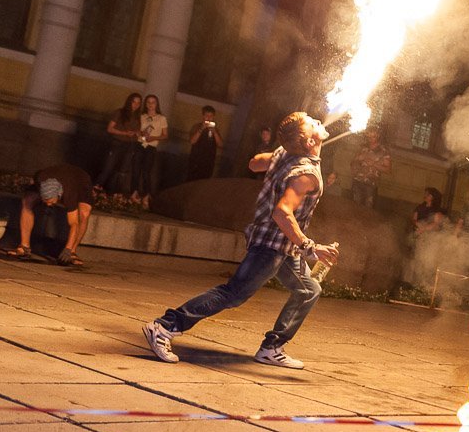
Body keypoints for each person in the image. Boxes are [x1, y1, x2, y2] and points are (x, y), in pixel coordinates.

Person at [142, 112, 338, 369]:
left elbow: (255, 164)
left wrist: (281, 154)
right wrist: (310, 247)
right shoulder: (306, 174)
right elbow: (282, 212)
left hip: (283, 246)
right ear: (310, 142)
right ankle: (165, 326)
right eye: (312, 123)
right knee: (233, 293)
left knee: (308, 290)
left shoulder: (286, 154)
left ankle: (271, 348)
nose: (318, 121)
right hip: (271, 246)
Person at [6, 164, 94, 266]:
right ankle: (24, 247)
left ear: (59, 195)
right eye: (45, 201)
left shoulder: (70, 194)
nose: (48, 205)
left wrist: (68, 249)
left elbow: (74, 223)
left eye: (51, 201)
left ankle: (72, 252)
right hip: (55, 176)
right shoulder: (40, 178)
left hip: (80, 180)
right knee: (27, 201)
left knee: (84, 213)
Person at [96, 93, 142, 195]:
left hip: (130, 145)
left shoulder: (138, 117)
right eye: (134, 102)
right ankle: (97, 188)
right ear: (129, 101)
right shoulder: (120, 112)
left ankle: (115, 193)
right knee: (108, 167)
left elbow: (138, 132)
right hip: (118, 143)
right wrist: (124, 133)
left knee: (123, 170)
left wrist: (137, 133)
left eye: (138, 103)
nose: (136, 105)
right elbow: (110, 128)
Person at [132, 94, 168, 207]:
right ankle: (134, 193)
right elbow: (136, 129)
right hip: (140, 144)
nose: (151, 105)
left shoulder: (161, 118)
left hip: (151, 146)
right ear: (146, 104)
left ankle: (146, 195)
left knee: (146, 171)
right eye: (148, 102)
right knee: (136, 169)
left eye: (153, 102)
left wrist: (154, 138)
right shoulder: (142, 116)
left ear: (157, 104)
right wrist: (139, 133)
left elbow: (165, 135)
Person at [349, 126, 391, 208]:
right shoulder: (363, 147)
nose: (371, 139)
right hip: (357, 181)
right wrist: (358, 159)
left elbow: (388, 170)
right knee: (354, 207)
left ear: (378, 136)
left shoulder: (383, 151)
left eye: (373, 137)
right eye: (369, 137)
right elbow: (352, 163)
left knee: (368, 210)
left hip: (371, 185)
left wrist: (373, 164)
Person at [186, 105, 223, 181]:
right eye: (206, 116)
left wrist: (214, 132)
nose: (208, 118)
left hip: (208, 162)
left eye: (211, 116)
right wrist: (201, 129)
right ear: (203, 116)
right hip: (195, 160)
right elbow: (192, 141)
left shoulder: (215, 129)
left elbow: (220, 144)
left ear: (214, 117)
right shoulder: (196, 126)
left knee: (204, 182)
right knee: (191, 181)